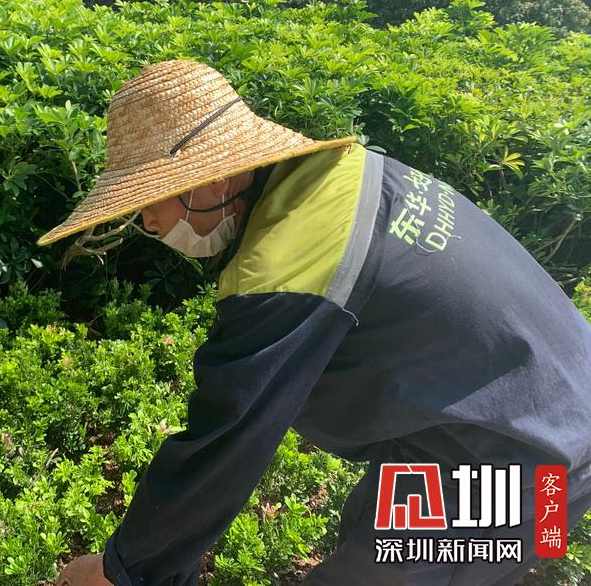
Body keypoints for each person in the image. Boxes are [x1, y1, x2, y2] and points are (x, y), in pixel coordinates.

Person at [37, 60, 591, 586]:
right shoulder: (348, 174)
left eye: (152, 199)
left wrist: (122, 568)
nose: (149, 223)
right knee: (377, 530)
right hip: (530, 421)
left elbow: (225, 441)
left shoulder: (288, 265)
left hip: (530, 469)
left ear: (215, 180)